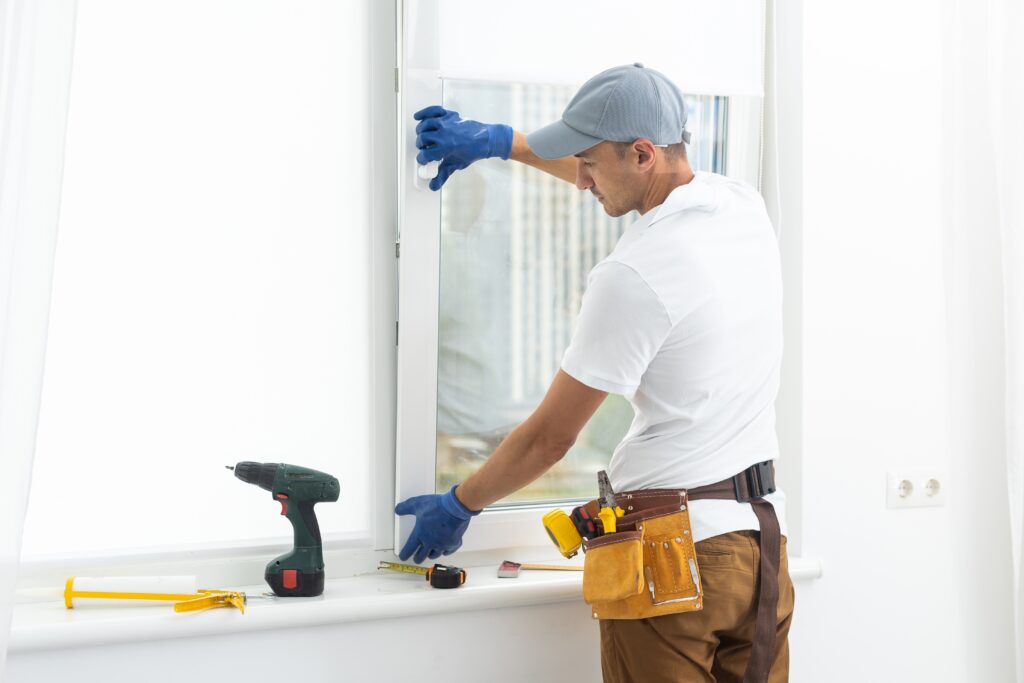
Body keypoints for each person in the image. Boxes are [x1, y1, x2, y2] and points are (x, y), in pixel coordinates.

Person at [394, 63, 794, 683]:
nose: (580, 181)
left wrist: (460, 502)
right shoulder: (741, 207)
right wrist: (504, 144)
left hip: (672, 560)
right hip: (760, 550)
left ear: (642, 153)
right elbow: (626, 181)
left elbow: (551, 439)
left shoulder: (633, 274)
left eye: (588, 163)